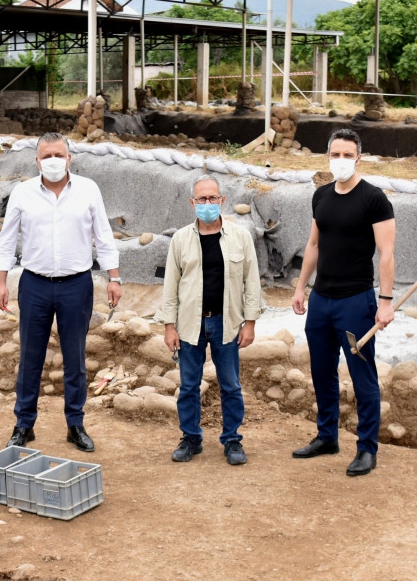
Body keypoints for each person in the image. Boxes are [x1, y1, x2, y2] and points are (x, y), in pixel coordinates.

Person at [0, 132, 121, 452]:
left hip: (77, 284)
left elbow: (103, 235)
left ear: (69, 158)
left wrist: (114, 277)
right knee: (30, 357)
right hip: (34, 283)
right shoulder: (22, 193)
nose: (53, 160)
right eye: (46, 155)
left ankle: (75, 424)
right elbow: (7, 240)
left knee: (75, 357)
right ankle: (24, 424)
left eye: (58, 155)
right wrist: (0, 282)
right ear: (36, 161)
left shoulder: (88, 190)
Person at [290, 128, 397, 477]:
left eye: (347, 155)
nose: (341, 160)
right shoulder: (321, 196)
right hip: (322, 299)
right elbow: (314, 246)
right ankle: (327, 436)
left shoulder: (374, 199)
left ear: (359, 158)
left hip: (356, 301)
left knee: (363, 376)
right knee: (321, 372)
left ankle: (367, 449)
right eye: (335, 154)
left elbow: (386, 254)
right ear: (327, 157)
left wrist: (385, 301)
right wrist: (300, 287)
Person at [161, 176, 265, 465]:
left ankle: (232, 440)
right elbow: (171, 285)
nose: (207, 204)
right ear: (193, 203)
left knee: (230, 384)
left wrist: (250, 322)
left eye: (212, 198)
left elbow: (252, 281)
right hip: (189, 325)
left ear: (221, 201)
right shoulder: (181, 239)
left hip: (226, 323)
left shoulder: (240, 237)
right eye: (201, 199)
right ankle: (190, 439)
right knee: (189, 385)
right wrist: (169, 326)